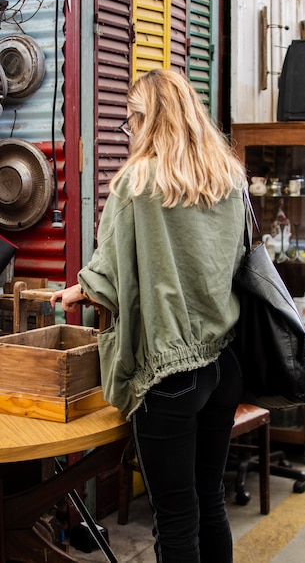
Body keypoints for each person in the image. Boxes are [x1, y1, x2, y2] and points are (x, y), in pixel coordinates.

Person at [50, 68, 248, 563]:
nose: (129, 130)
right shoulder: (227, 179)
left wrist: (75, 292)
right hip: (223, 367)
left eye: (131, 120)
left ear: (150, 119)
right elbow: (241, 261)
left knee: (176, 518)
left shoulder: (136, 185)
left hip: (170, 375)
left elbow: (109, 280)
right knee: (209, 505)